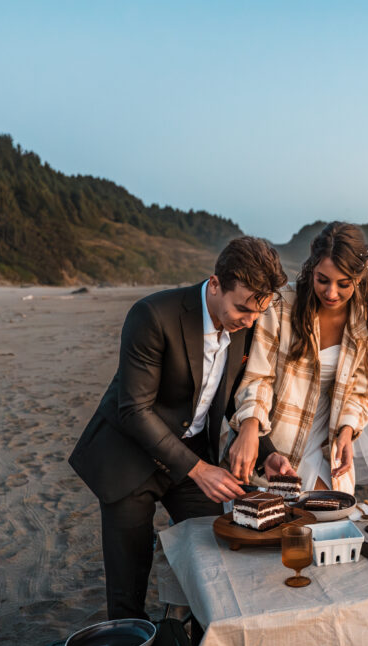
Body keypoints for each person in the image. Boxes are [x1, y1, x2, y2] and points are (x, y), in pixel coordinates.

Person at [68, 236, 296, 620]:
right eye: (243, 309)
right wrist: (199, 469)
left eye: (259, 312)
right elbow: (133, 411)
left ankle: (192, 642)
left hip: (191, 457)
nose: (251, 321)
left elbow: (227, 398)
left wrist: (268, 451)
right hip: (128, 457)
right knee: (129, 585)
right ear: (215, 283)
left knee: (216, 551)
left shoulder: (245, 323)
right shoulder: (152, 316)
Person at [228, 222, 368, 493]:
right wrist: (250, 427)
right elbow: (259, 375)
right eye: (322, 279)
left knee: (329, 524)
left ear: (359, 278)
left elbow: (364, 393)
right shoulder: (280, 305)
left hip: (325, 450)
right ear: (311, 268)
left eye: (343, 283)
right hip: (271, 442)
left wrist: (347, 431)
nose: (331, 293)